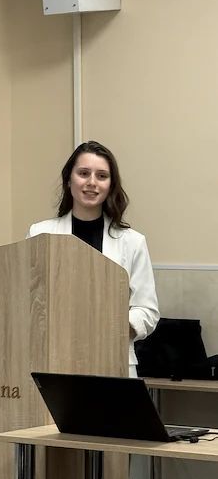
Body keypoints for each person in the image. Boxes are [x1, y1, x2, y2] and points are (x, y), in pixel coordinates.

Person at [27, 140, 160, 378]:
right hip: (52, 359)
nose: (92, 182)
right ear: (69, 180)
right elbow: (25, 298)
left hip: (112, 360)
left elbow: (147, 311)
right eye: (83, 173)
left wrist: (107, 327)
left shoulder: (132, 241)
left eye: (102, 176)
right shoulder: (40, 234)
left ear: (110, 185)